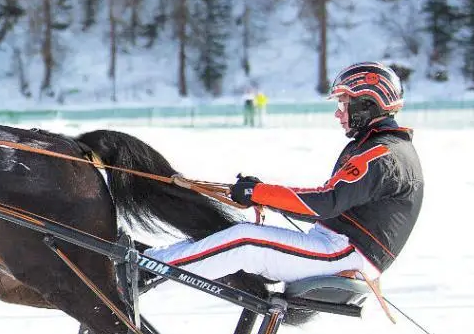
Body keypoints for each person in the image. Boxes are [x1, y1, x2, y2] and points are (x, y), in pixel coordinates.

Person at [142, 62, 423, 288]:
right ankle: (151, 259)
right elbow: (326, 202)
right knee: (238, 236)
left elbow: (324, 202)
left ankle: (146, 270)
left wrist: (258, 193)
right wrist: (261, 192)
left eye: (343, 104)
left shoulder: (381, 155)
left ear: (368, 104)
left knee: (246, 241)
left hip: (345, 255)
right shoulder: (381, 149)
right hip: (338, 246)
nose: (338, 114)